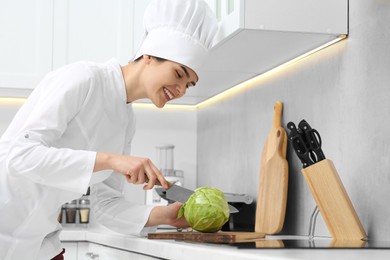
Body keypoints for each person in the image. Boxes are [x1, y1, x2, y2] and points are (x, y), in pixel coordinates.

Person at [0, 0, 218, 259]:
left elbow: (105, 204)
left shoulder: (126, 121)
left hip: (39, 245)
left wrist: (163, 216)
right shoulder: (84, 78)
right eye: (179, 74)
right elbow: (15, 155)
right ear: (148, 56)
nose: (181, 90)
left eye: (189, 84)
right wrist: (111, 160)